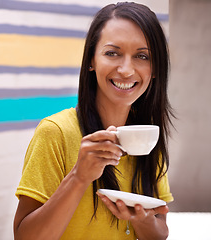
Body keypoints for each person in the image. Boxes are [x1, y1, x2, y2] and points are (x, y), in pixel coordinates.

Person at [14, 2, 174, 240]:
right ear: (91, 60)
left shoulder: (147, 138)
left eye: (142, 56)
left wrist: (141, 219)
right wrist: (79, 177)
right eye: (112, 53)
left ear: (155, 69)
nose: (127, 70)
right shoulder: (56, 132)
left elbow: (160, 233)